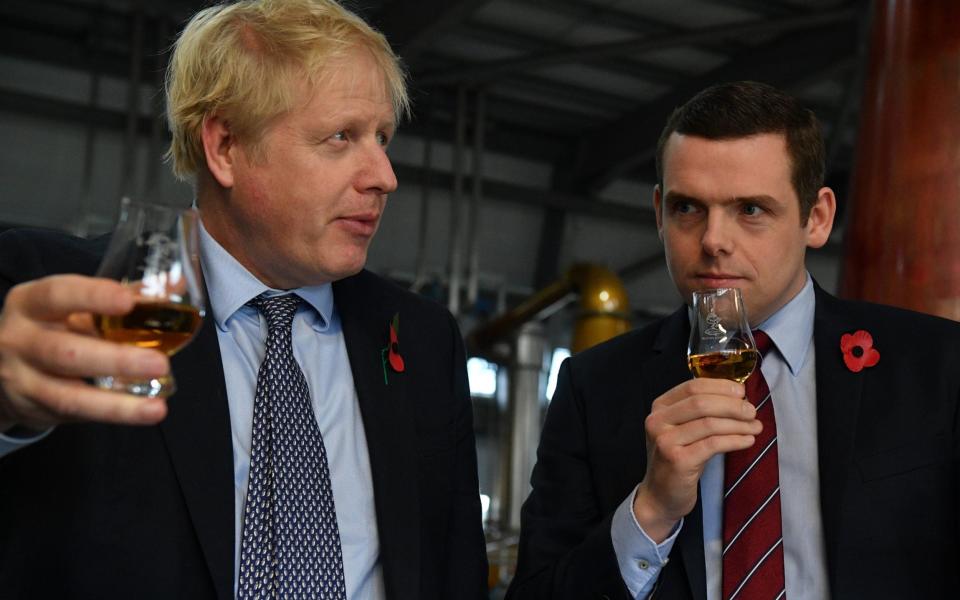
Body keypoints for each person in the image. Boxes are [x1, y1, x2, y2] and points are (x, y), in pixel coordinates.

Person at [0, 1, 487, 598]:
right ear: (225, 146)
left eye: (382, 137)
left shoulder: (422, 337)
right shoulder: (64, 297)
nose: (384, 175)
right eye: (342, 136)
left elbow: (456, 567)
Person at [506, 81, 960, 600]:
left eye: (750, 210)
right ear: (658, 213)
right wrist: (650, 510)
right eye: (687, 209)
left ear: (818, 217)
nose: (713, 240)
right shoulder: (594, 387)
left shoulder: (937, 368)